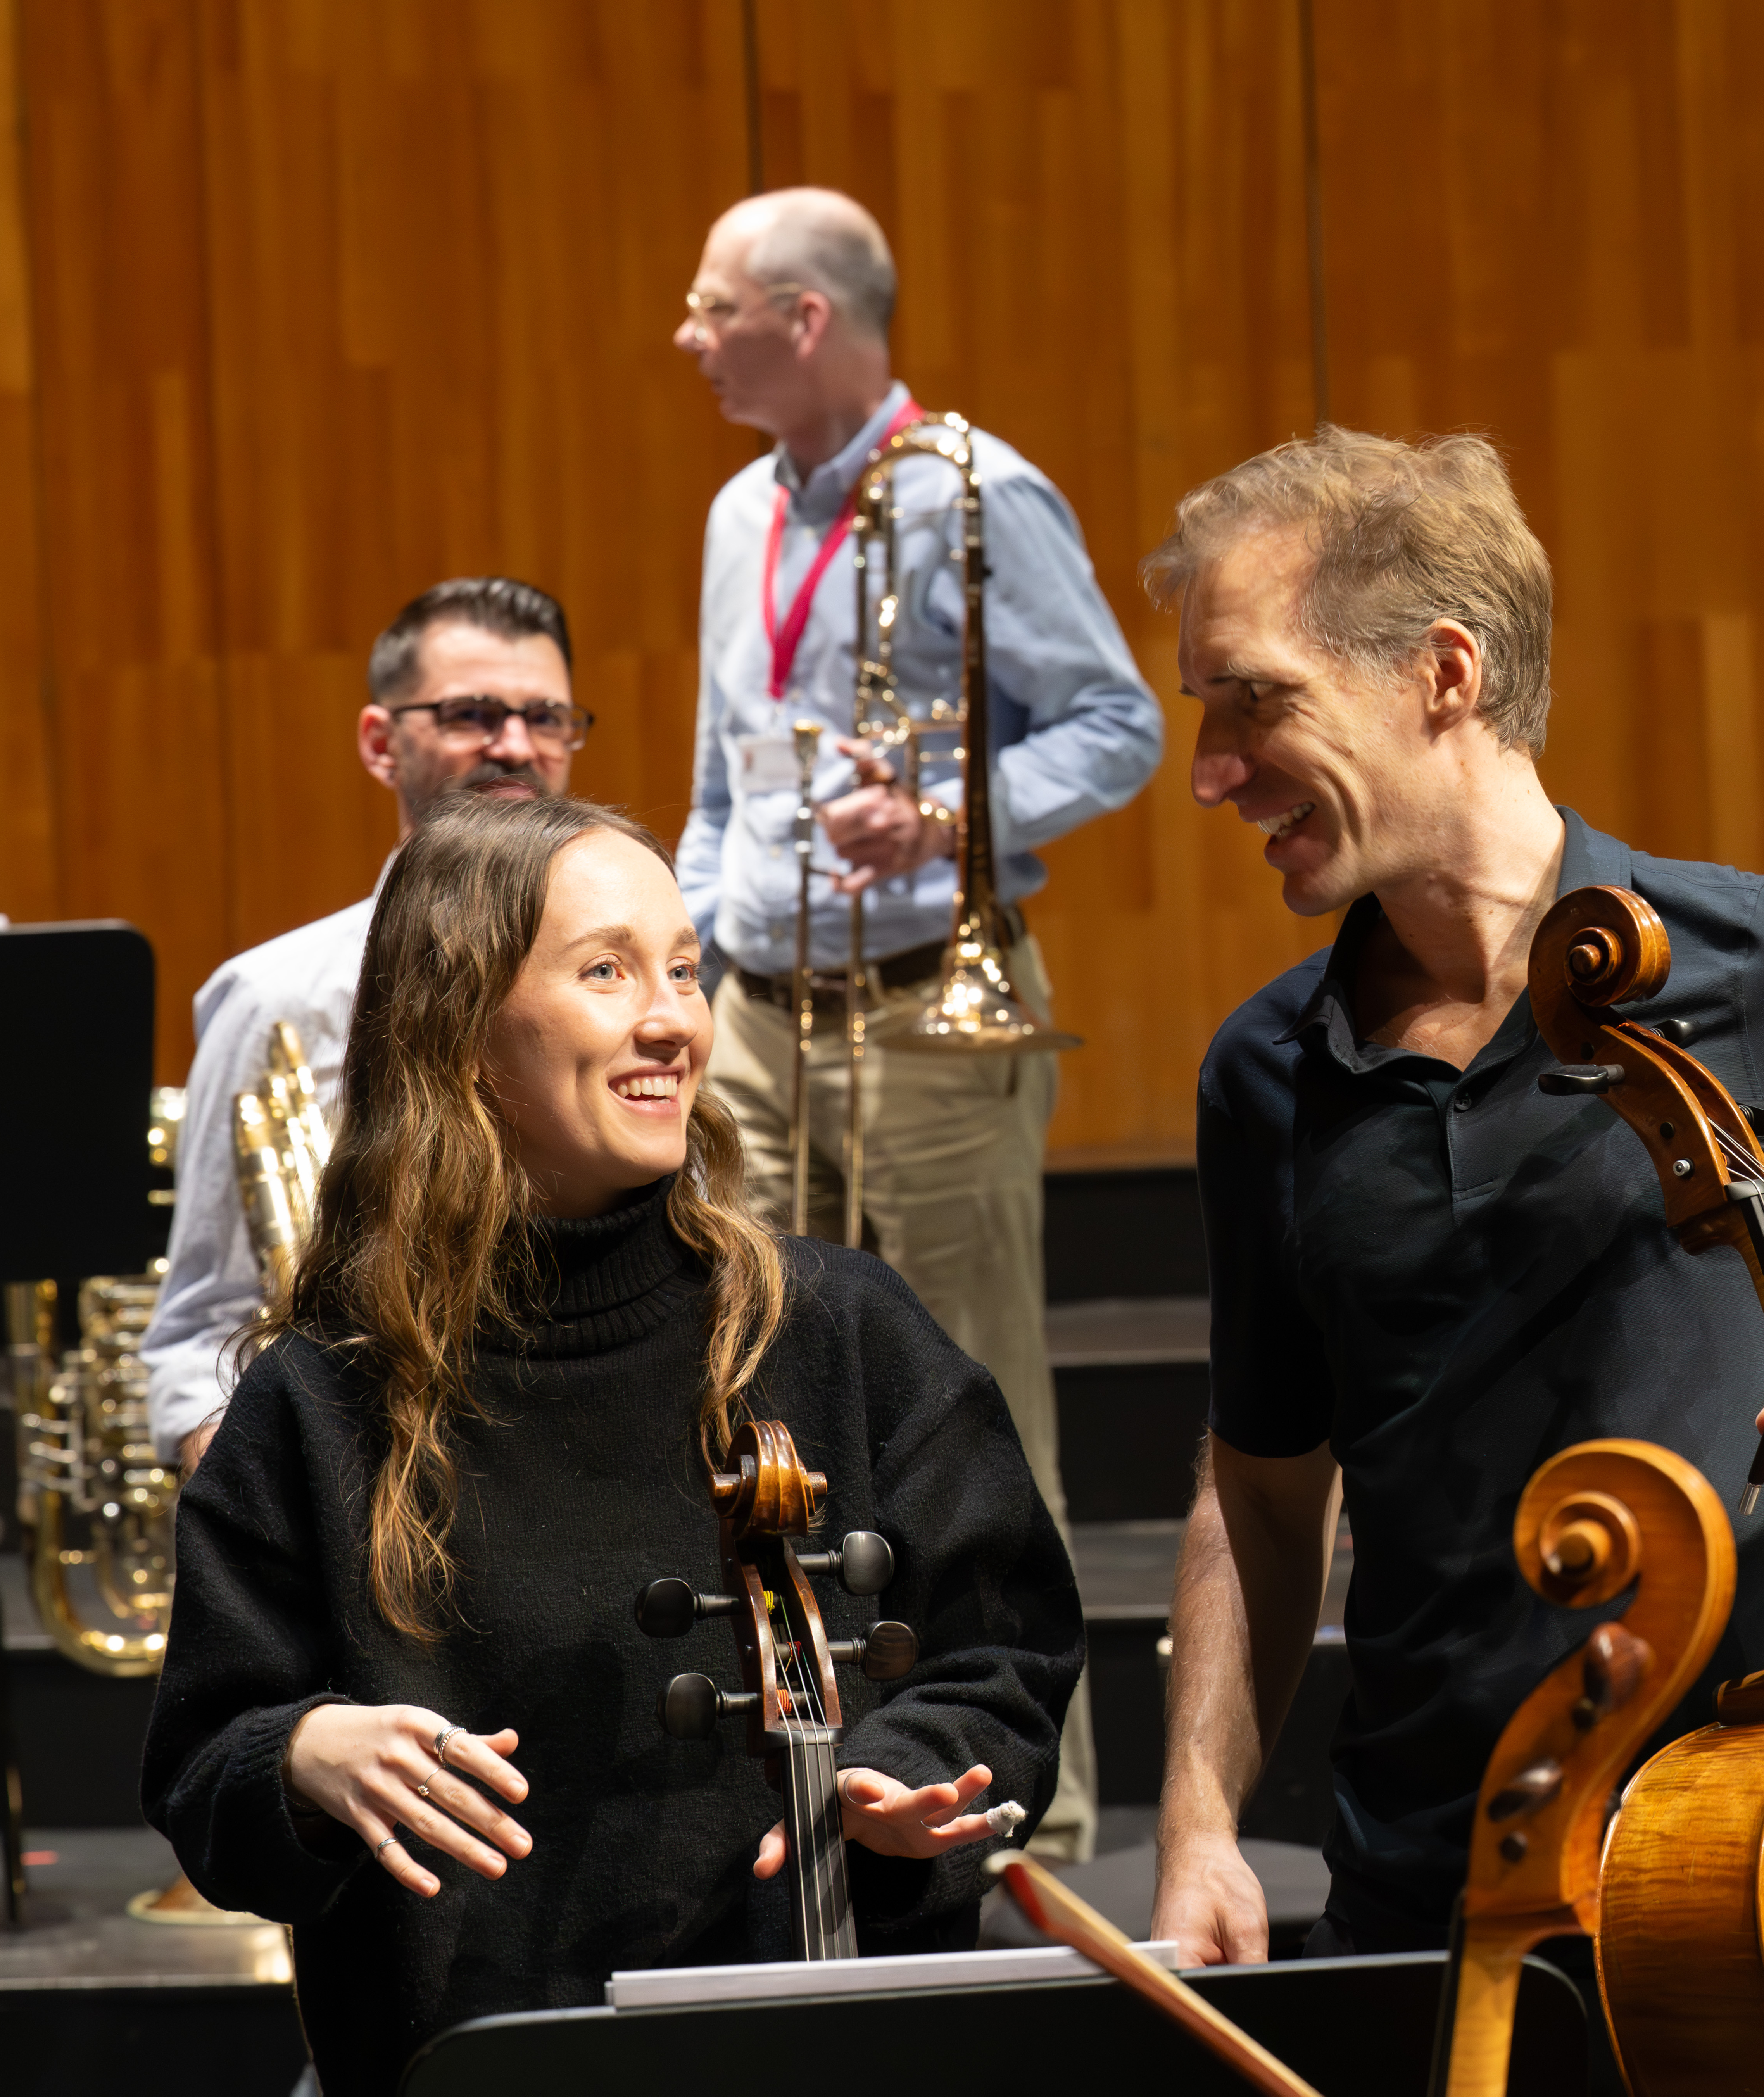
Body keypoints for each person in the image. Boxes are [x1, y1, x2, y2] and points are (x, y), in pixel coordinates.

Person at [1143, 428, 1764, 1966]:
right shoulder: (1264, 1072)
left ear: (1444, 672)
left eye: (1255, 698)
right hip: (1439, 1877)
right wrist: (1195, 1820)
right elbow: (1257, 1496)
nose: (1210, 769)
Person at [143, 795, 1079, 2097]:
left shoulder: (837, 1332)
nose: (673, 1020)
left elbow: (1005, 1655)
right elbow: (205, 1771)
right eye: (607, 972)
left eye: (686, 971)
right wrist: (300, 1756)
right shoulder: (322, 1397)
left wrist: (906, 1769)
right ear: (464, 1033)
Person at [673, 186, 1159, 1860]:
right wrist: (685, 955)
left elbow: (1118, 723)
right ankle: (807, 1783)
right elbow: (720, 779)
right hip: (756, 1010)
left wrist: (953, 810)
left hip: (926, 1014)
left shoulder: (979, 489)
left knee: (974, 1408)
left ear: (803, 319)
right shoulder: (743, 510)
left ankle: (1045, 1805)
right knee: (754, 1404)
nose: (688, 336)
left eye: (712, 307)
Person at [143, 577, 583, 1474]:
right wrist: (257, 1500)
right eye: (472, 713)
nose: (516, 745)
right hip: (362, 1479)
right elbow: (201, 1329)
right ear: (382, 742)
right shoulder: (275, 997)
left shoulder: (643, 979)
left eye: (547, 717)